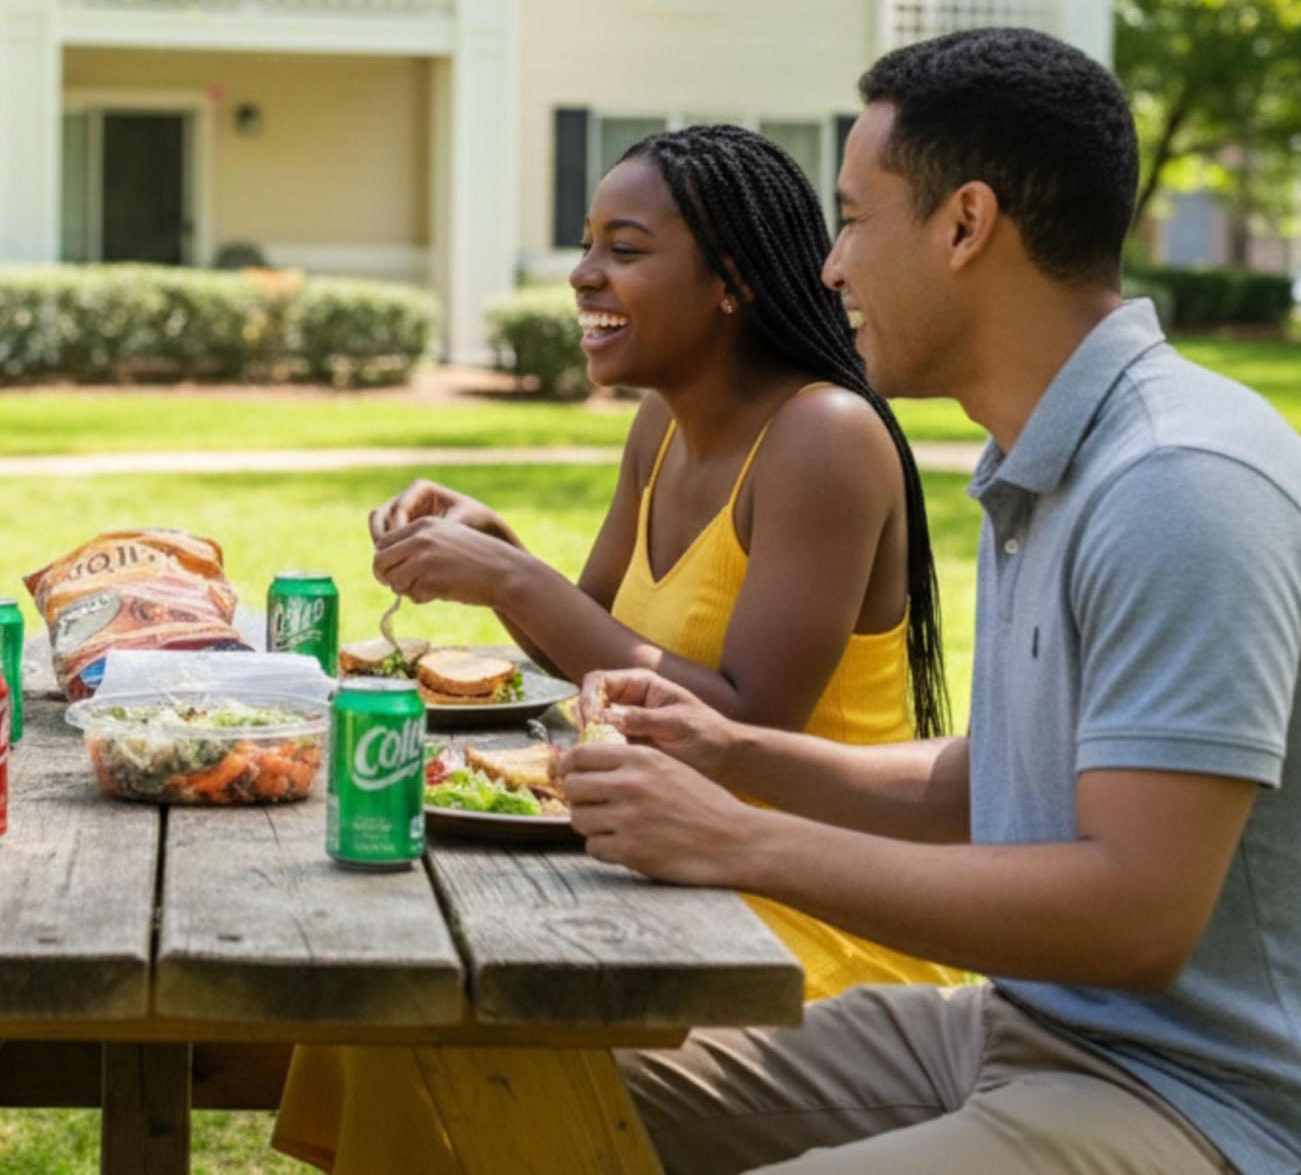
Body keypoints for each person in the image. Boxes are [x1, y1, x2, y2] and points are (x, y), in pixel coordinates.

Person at [566, 27, 1301, 1172]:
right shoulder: (1047, 460)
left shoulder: (1178, 484)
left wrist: (740, 839)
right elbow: (997, 781)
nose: (830, 267)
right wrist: (726, 750)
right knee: (531, 1069)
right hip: (1030, 1030)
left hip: (1229, 1112)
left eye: (856, 218)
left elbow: (1134, 914)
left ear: (966, 224)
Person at [274, 124, 960, 1174]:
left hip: (806, 916)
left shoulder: (825, 436)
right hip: (667, 866)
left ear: (729, 278)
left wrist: (516, 577)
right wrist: (495, 548)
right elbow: (578, 656)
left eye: (625, 248)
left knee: (438, 1030)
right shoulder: (663, 427)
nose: (584, 274)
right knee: (381, 985)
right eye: (587, 242)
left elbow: (745, 723)